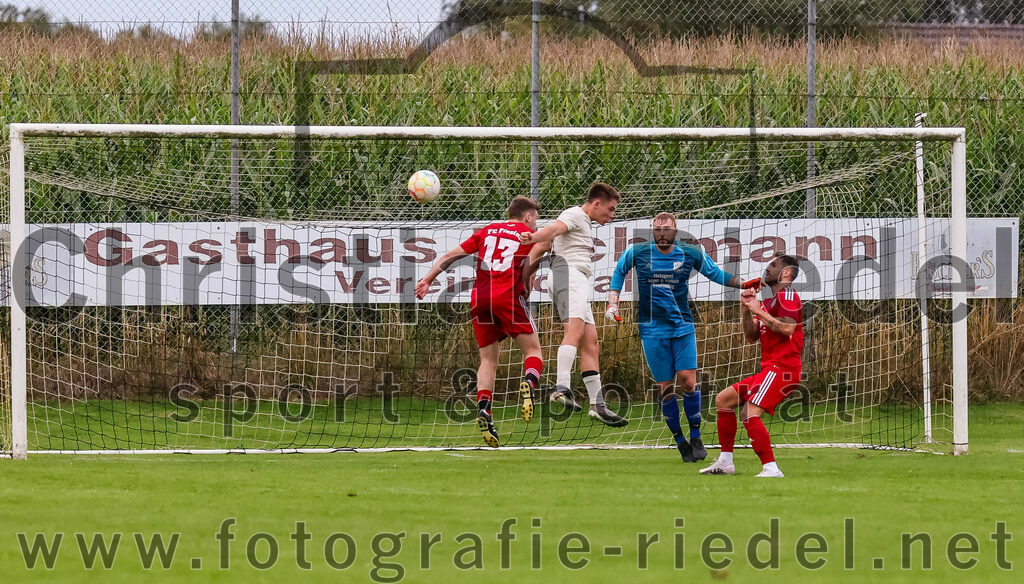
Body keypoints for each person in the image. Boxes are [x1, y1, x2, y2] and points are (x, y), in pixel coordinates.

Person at [606, 212, 748, 462]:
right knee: (666, 388)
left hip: (683, 326)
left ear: (676, 230)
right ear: (653, 231)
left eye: (667, 228)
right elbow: (619, 272)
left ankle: (695, 436)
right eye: (657, 229)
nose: (662, 233)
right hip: (651, 330)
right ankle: (680, 442)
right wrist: (613, 303)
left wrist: (743, 284)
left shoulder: (690, 252)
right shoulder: (637, 251)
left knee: (688, 382)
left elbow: (715, 274)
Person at [415, 196, 544, 447]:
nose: (536, 224)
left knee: (487, 359)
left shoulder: (487, 231)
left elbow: (452, 254)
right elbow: (531, 264)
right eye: (535, 219)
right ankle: (529, 383)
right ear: (527, 216)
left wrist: (428, 279)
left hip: (480, 299)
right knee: (533, 349)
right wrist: (526, 285)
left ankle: (485, 409)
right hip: (506, 296)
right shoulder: (528, 236)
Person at [520, 182, 626, 427]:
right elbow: (552, 231)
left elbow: (542, 247)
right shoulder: (574, 214)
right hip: (567, 275)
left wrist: (528, 275)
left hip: (573, 278)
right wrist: (534, 235)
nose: (611, 215)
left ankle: (597, 406)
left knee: (591, 342)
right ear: (596, 203)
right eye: (610, 210)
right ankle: (560, 389)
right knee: (575, 332)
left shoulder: (583, 222)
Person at [700, 253, 804, 478]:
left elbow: (787, 329)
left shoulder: (786, 294)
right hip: (770, 369)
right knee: (723, 400)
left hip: (783, 369)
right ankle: (725, 462)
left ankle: (771, 468)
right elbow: (750, 335)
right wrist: (747, 309)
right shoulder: (769, 301)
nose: (768, 268)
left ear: (786, 273)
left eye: (774, 265)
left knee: (749, 414)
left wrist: (758, 310)